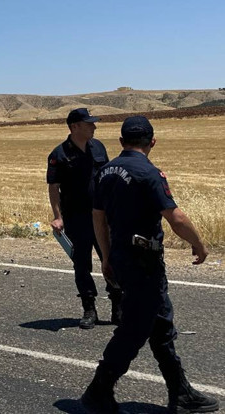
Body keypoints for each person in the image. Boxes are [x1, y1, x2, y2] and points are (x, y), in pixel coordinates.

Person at [81, 116, 218, 414]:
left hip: (122, 256)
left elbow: (98, 217)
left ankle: (179, 392)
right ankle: (98, 391)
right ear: (152, 142)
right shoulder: (149, 173)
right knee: (134, 328)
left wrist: (106, 256)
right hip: (143, 262)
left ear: (121, 142)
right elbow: (176, 217)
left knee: (160, 324)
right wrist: (199, 244)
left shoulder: (105, 172)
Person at [47, 108, 122, 329]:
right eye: (89, 123)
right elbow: (54, 188)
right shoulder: (58, 155)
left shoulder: (98, 147)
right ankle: (89, 309)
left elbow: (107, 178)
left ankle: (118, 305)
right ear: (75, 127)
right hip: (76, 218)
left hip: (101, 215)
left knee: (111, 259)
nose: (94, 127)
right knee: (81, 265)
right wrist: (57, 217)